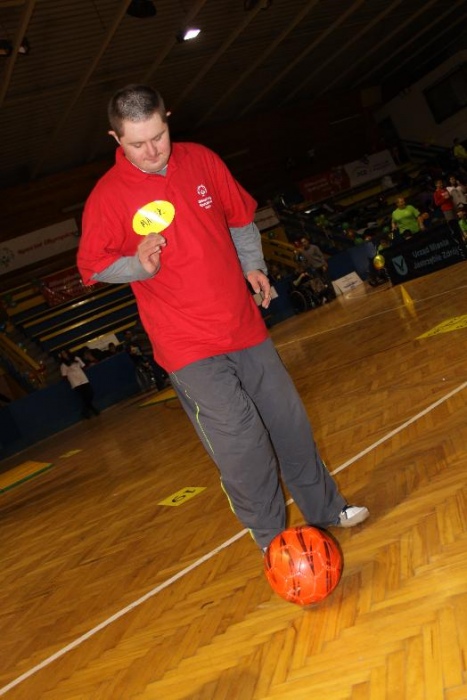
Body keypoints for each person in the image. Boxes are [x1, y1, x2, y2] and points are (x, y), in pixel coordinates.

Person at [77, 84, 369, 552]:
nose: (152, 151)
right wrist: (138, 266)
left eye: (159, 136)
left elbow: (240, 219)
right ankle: (273, 542)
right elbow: (93, 266)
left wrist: (252, 264)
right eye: (137, 143)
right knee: (242, 444)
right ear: (116, 138)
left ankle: (326, 509)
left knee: (290, 425)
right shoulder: (107, 197)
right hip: (187, 345)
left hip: (243, 325)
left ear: (167, 118)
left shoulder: (202, 160)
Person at [58, 349, 100, 418]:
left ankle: (85, 411)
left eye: (65, 353)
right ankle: (92, 409)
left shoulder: (76, 358)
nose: (64, 355)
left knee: (90, 393)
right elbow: (64, 376)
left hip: (83, 379)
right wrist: (71, 378)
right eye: (63, 354)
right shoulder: (63, 365)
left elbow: (83, 366)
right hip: (75, 382)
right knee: (84, 397)